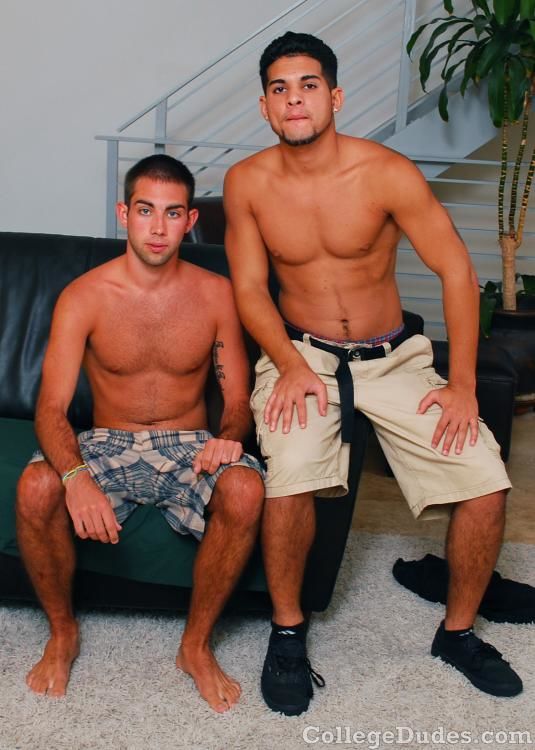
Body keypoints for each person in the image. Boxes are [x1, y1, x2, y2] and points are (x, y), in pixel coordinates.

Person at [223, 31, 521, 715]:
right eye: (279, 89)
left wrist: (463, 385)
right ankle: (288, 633)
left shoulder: (386, 172)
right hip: (303, 355)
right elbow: (249, 289)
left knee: (484, 478)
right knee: (289, 473)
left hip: (393, 356)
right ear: (265, 107)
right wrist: (288, 363)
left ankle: (457, 633)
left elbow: (456, 271)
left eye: (307, 86)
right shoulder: (247, 183)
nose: (294, 100)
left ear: (335, 96)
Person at [16, 154, 264, 713]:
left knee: (247, 489)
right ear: (123, 213)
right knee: (35, 487)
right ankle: (62, 633)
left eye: (172, 213)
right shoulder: (84, 295)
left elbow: (237, 398)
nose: (158, 227)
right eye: (146, 210)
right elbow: (50, 408)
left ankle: (195, 646)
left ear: (190, 220)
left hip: (189, 445)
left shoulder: (216, 293)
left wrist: (229, 437)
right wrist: (75, 477)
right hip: (109, 440)